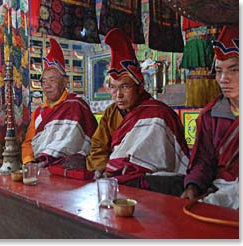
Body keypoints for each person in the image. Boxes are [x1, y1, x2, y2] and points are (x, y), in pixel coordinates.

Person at [86, 28, 189, 196]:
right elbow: (98, 146)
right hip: (118, 181)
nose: (118, 95)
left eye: (125, 87)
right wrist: (101, 167)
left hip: (154, 181)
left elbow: (172, 160)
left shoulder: (158, 113)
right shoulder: (111, 113)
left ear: (140, 87)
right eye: (113, 87)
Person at [181, 25, 239, 209]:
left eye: (234, 70)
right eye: (219, 71)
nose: (223, 79)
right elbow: (203, 161)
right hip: (223, 194)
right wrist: (193, 187)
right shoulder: (210, 116)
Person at [22, 38, 97, 167]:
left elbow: (86, 138)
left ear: (65, 82)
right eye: (44, 82)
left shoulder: (76, 105)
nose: (47, 86)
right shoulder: (38, 113)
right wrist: (29, 161)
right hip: (39, 166)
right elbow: (28, 142)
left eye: (52, 80)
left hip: (67, 167)